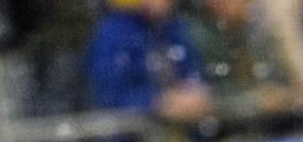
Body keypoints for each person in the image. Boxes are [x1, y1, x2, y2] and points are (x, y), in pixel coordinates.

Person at [86, 0, 214, 129]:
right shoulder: (113, 34)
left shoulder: (174, 28)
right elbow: (111, 97)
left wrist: (197, 93)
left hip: (185, 135)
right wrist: (157, 102)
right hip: (134, 139)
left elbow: (194, 72)